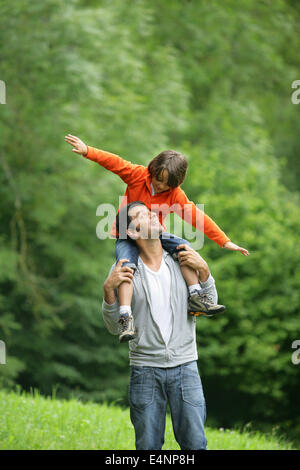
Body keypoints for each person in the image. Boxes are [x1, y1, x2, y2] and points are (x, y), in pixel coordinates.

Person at [65, 134, 249, 342]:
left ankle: (196, 296)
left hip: (154, 234)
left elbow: (197, 216)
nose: (160, 186)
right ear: (152, 170)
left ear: (176, 184)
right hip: (127, 234)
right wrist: (88, 151)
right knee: (126, 266)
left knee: (184, 247)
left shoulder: (175, 195)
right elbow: (114, 162)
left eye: (167, 185)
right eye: (158, 180)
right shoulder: (137, 175)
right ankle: (125, 316)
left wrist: (224, 241)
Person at [102, 201, 219, 450]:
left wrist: (205, 271)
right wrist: (108, 291)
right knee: (148, 447)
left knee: (196, 445)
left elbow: (209, 306)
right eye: (141, 216)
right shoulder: (123, 271)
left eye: (150, 211)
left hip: (186, 366)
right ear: (132, 232)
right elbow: (115, 328)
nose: (152, 216)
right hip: (145, 370)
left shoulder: (182, 259)